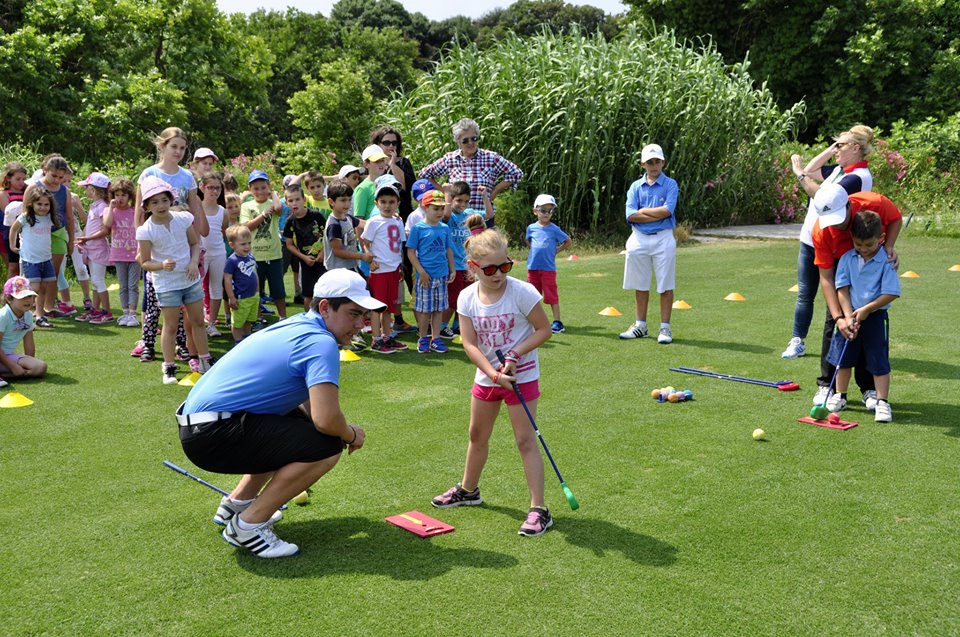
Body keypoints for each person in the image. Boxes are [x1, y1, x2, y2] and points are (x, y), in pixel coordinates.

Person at [177, 268, 382, 558]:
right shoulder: (320, 342)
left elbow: (311, 410)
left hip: (201, 428)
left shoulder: (300, 325)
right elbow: (326, 420)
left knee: (299, 424)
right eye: (353, 314)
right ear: (325, 307)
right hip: (211, 435)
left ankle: (237, 504)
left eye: (363, 315)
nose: (361, 324)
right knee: (326, 445)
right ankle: (248, 525)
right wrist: (351, 435)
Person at [431, 228, 554, 537]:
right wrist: (494, 373)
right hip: (489, 376)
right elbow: (470, 344)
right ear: (473, 267)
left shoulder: (522, 292)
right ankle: (468, 490)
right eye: (489, 269)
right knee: (476, 434)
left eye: (505, 266)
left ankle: (539, 509)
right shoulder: (466, 297)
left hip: (521, 376)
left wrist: (515, 353)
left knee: (525, 440)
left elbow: (544, 330)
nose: (498, 274)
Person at [784, 124, 875, 359]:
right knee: (805, 292)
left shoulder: (858, 177)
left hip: (835, 244)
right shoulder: (840, 170)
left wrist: (799, 173)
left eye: (840, 145)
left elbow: (820, 195)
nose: (836, 150)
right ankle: (797, 340)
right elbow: (813, 170)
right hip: (811, 238)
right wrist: (831, 149)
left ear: (856, 148)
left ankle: (837, 349)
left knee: (833, 298)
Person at [810, 183, 902, 411]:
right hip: (843, 272)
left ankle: (868, 389)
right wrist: (841, 316)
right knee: (835, 328)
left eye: (840, 218)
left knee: (869, 337)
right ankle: (828, 387)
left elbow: (896, 218)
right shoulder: (821, 231)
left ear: (849, 206)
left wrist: (888, 246)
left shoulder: (874, 203)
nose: (837, 225)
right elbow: (827, 278)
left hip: (869, 276)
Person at [824, 210, 899, 423]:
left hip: (875, 317)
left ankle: (883, 402)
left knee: (878, 359)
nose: (863, 249)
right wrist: (847, 317)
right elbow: (842, 289)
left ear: (881, 239)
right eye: (858, 244)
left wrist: (867, 309)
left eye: (869, 245)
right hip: (851, 317)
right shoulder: (848, 258)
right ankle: (841, 395)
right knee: (843, 359)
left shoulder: (887, 261)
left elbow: (891, 292)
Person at [136, 176, 212, 385]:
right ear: (147, 206)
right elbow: (144, 262)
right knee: (170, 327)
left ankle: (205, 360)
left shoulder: (183, 218)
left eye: (164, 200)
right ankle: (169, 367)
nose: (160, 205)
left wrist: (193, 262)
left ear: (171, 200)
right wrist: (161, 265)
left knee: (197, 322)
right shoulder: (145, 230)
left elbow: (195, 244)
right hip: (166, 285)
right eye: (154, 202)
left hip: (190, 279)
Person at [619, 143, 679, 344]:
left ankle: (665, 328)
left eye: (657, 161)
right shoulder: (635, 186)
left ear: (663, 162)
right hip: (638, 238)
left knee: (665, 285)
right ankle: (641, 326)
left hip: (663, 237)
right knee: (640, 284)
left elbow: (668, 210)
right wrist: (655, 213)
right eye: (650, 162)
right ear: (643, 164)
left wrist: (643, 211)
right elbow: (630, 215)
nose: (654, 166)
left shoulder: (670, 184)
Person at [420, 118, 523, 228]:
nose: (470, 143)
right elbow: (424, 174)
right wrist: (446, 193)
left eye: (474, 138)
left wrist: (495, 191)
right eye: (465, 140)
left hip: (483, 218)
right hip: (456, 219)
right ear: (458, 142)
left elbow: (516, 173)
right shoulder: (450, 159)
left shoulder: (490, 157)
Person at [440, 181, 493, 339]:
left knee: (466, 297)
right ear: (452, 199)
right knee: (452, 298)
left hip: (468, 264)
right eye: (458, 200)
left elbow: (489, 215)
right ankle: (442, 326)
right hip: (453, 265)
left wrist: (485, 196)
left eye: (465, 201)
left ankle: (457, 326)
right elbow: (446, 215)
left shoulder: (469, 213)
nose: (462, 204)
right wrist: (447, 193)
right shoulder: (449, 213)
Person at [361, 179, 408, 353]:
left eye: (391, 202)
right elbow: (365, 242)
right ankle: (376, 339)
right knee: (377, 307)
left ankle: (388, 337)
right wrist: (370, 260)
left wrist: (401, 266)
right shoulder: (373, 221)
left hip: (394, 270)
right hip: (379, 271)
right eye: (383, 202)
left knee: (389, 306)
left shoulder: (397, 222)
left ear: (398, 203)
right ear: (376, 203)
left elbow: (399, 247)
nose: (387, 206)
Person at [407, 189, 454, 354]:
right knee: (425, 310)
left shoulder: (444, 228)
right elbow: (410, 252)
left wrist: (452, 269)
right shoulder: (418, 228)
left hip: (441, 275)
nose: (440, 212)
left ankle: (436, 339)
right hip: (424, 277)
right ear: (425, 207)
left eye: (442, 208)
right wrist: (421, 271)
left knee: (438, 309)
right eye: (435, 208)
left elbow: (448, 249)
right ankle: (423, 338)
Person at [9, 185, 58, 329]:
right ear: (32, 204)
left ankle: (39, 316)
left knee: (43, 288)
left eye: (46, 204)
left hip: (45, 259)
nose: (43, 207)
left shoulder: (49, 217)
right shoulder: (26, 217)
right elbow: (13, 229)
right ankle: (20, 317)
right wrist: (13, 246)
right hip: (30, 260)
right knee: (31, 289)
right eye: (39, 204)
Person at [240, 170, 287, 319]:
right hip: (254, 256)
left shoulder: (273, 203)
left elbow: (279, 209)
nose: (260, 191)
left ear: (268, 186)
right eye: (256, 188)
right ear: (250, 189)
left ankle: (283, 317)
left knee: (278, 290)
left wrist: (273, 195)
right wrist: (264, 215)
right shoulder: (247, 206)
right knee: (256, 290)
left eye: (263, 187)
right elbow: (246, 226)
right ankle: (257, 317)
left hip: (274, 255)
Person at [526, 194, 572, 334]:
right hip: (533, 268)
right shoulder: (531, 228)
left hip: (548, 269)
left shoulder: (554, 229)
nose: (546, 214)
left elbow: (568, 241)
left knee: (551, 295)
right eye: (543, 210)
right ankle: (532, 323)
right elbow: (528, 240)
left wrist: (556, 251)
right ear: (535, 211)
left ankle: (557, 322)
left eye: (550, 211)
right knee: (532, 296)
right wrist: (535, 250)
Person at [74, 172, 114, 324]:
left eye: (87, 187)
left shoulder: (103, 207)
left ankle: (107, 312)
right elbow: (89, 227)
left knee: (98, 280)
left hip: (98, 249)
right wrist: (82, 240)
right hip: (91, 249)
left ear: (94, 189)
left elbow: (106, 229)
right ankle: (96, 311)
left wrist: (87, 238)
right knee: (96, 282)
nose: (85, 190)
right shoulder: (95, 206)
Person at [282, 183, 326, 312]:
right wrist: (304, 257)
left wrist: (323, 253)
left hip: (323, 261)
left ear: (304, 200)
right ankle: (310, 320)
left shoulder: (316, 216)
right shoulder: (290, 222)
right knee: (308, 294)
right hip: (306, 263)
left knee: (325, 292)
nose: (294, 203)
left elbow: (328, 237)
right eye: (290, 200)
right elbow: (289, 245)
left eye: (297, 199)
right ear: (286, 203)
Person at [103, 178, 140, 327]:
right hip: (119, 253)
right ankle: (125, 313)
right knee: (123, 285)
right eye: (117, 195)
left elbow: (141, 229)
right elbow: (107, 224)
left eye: (123, 195)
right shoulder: (109, 210)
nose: (120, 198)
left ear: (130, 196)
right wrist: (111, 208)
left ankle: (132, 314)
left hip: (135, 254)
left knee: (133, 285)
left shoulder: (136, 211)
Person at [198, 172, 228, 337]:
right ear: (202, 188)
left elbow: (223, 232)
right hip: (200, 255)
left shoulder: (222, 211)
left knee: (216, 288)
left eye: (217, 188)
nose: (214, 191)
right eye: (210, 187)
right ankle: (198, 321)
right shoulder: (196, 208)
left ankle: (212, 323)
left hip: (218, 253)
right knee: (196, 289)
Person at [0, 276, 47, 379]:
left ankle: (10, 375)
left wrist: (30, 362)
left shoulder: (28, 315)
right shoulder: (3, 316)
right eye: (22, 297)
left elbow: (29, 343)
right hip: (4, 357)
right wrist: (13, 366)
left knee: (40, 367)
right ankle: (14, 373)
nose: (28, 300)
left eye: (30, 296)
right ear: (9, 299)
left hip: (7, 357)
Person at [223, 225, 259, 343]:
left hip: (253, 296)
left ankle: (247, 338)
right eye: (243, 244)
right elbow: (227, 279)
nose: (247, 246)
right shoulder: (232, 261)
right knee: (238, 323)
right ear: (232, 245)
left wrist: (258, 291)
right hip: (240, 298)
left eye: (249, 243)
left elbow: (254, 273)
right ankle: (238, 342)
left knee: (249, 320)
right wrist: (231, 297)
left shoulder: (250, 257)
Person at [1, 161, 28, 278]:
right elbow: (8, 212)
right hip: (10, 232)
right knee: (13, 266)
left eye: (23, 179)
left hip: (26, 232)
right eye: (18, 179)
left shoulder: (27, 192)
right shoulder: (4, 194)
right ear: (8, 178)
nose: (21, 182)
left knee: (24, 265)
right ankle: (9, 295)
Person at [354, 145, 389, 221]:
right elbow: (358, 220)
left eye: (382, 160)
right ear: (366, 164)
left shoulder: (389, 183)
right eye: (377, 161)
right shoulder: (362, 188)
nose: (381, 164)